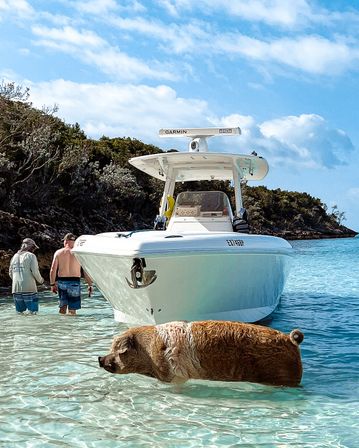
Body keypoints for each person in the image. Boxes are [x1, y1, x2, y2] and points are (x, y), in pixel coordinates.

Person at [50, 233, 93, 315]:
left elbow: (53, 269)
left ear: (65, 241)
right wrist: (90, 285)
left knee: (62, 307)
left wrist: (52, 284)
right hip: (74, 282)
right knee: (72, 309)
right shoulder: (79, 253)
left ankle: (61, 326)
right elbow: (85, 271)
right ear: (74, 242)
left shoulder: (58, 253)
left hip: (62, 282)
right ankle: (71, 327)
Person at [9, 237, 44, 314]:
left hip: (16, 289)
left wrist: (17, 281)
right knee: (33, 313)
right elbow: (35, 271)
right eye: (34, 247)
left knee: (19, 313)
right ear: (30, 247)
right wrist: (41, 281)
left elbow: (10, 273)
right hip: (29, 288)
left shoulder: (14, 256)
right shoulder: (31, 256)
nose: (34, 249)